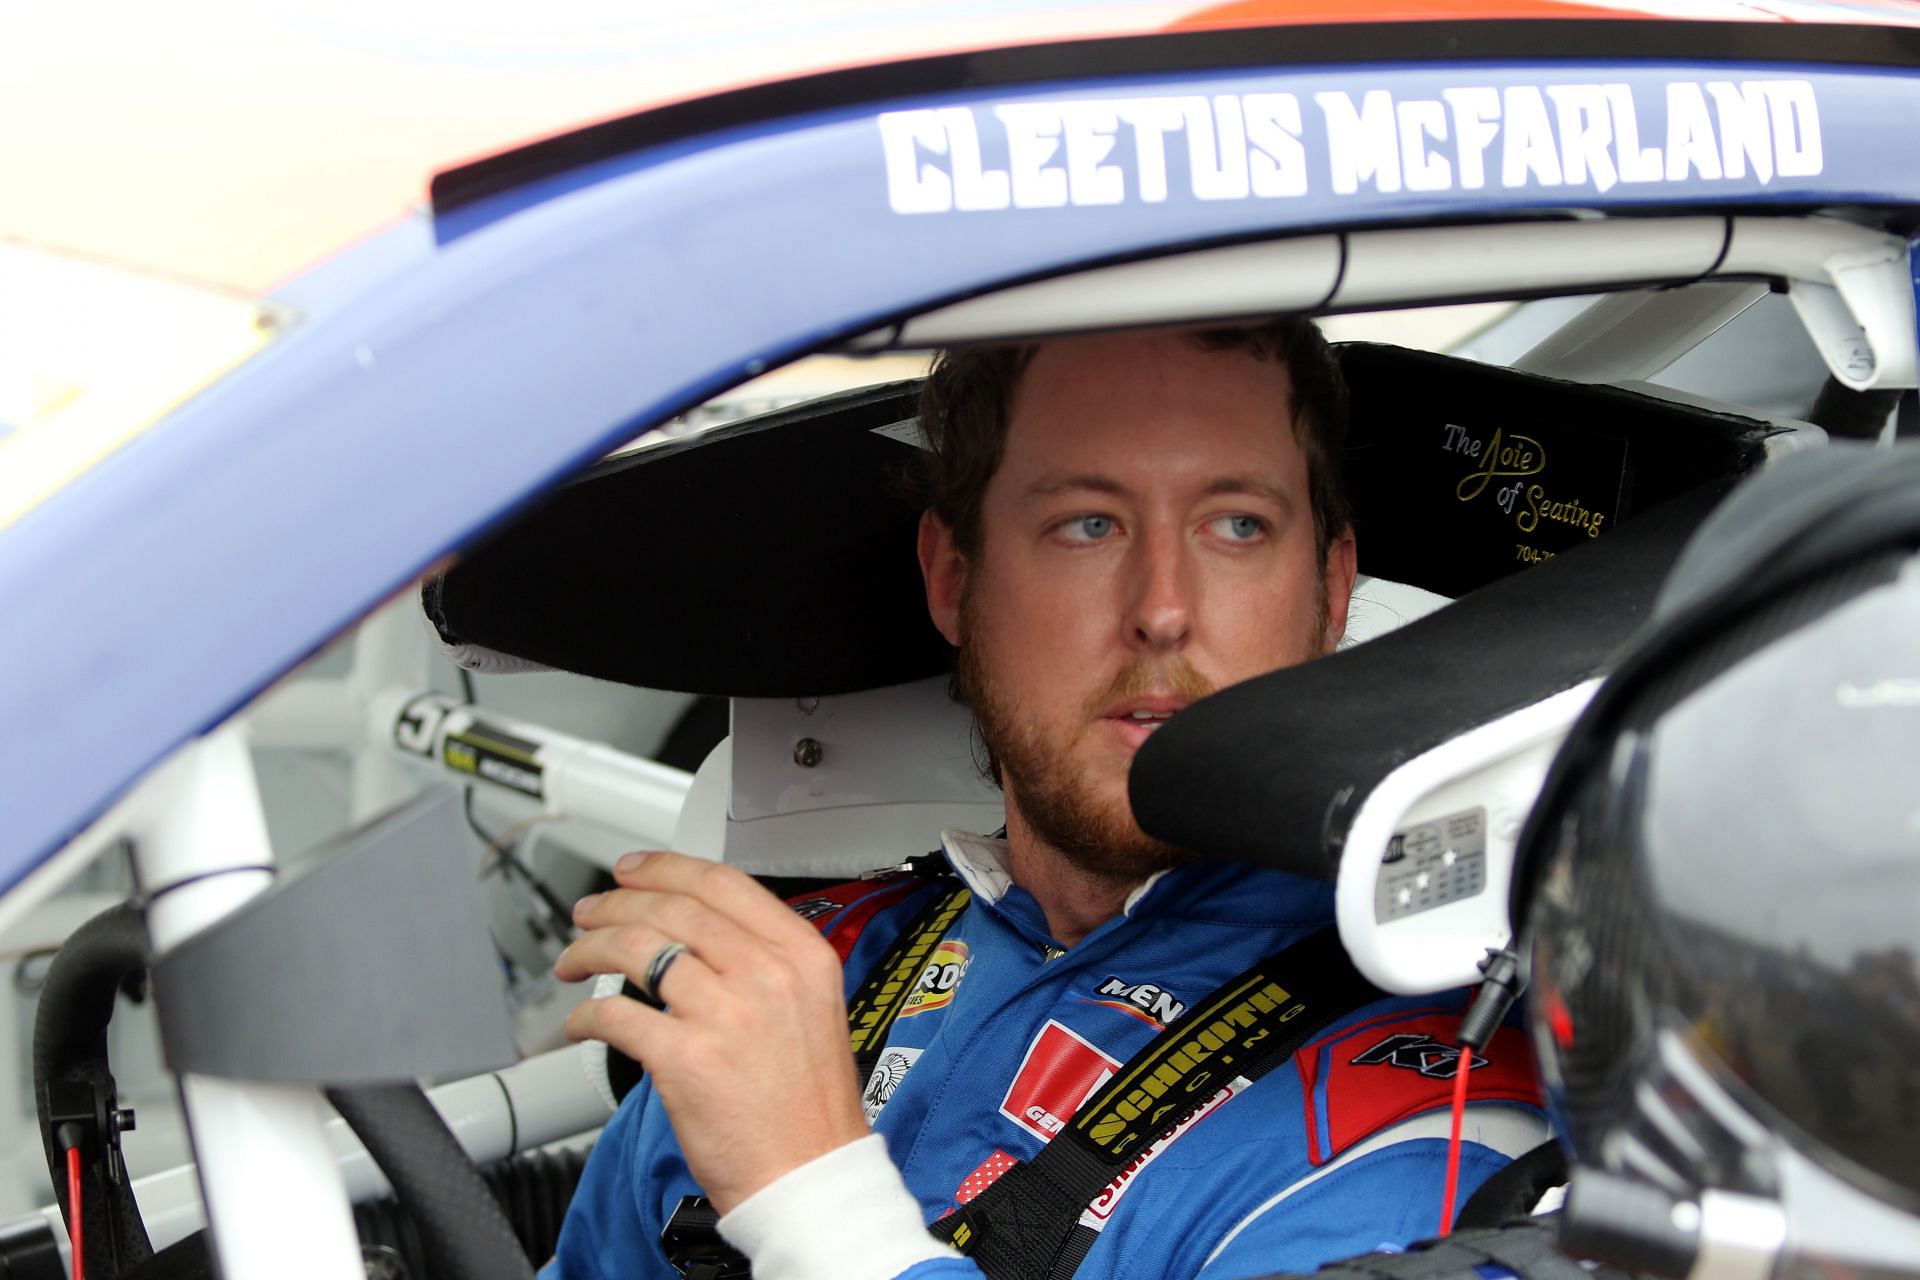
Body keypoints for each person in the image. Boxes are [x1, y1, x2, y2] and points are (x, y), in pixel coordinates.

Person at [544, 321, 1547, 1280]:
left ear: (1330, 589)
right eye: (1087, 523)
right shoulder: (802, 979)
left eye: (1237, 524)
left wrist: (814, 1200)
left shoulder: (1414, 1133)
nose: (1162, 608)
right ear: (954, 577)